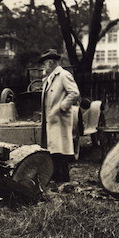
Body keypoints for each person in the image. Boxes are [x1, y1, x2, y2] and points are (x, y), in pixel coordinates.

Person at [39, 49, 80, 182]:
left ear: (50, 63)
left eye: (44, 64)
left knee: (60, 148)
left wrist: (62, 106)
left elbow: (74, 93)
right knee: (53, 149)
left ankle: (63, 178)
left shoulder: (63, 75)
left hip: (59, 118)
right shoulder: (48, 78)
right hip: (50, 119)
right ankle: (56, 176)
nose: (43, 67)